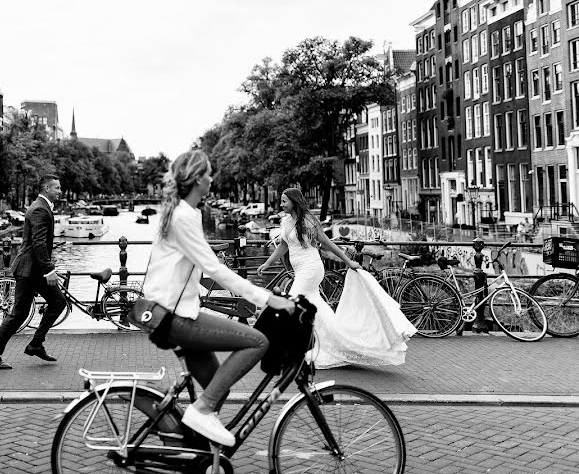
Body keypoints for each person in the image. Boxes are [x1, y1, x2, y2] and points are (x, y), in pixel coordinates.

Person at [143, 150, 294, 446]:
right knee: (258, 341)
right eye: (209, 174)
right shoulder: (183, 216)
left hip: (170, 312)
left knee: (218, 387)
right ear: (198, 178)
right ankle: (201, 410)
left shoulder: (182, 213)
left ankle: (192, 450)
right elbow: (213, 268)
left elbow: (200, 265)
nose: (213, 179)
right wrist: (266, 299)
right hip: (176, 318)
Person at [258, 188, 416, 369]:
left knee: (292, 304)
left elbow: (328, 243)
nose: (281, 204)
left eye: (285, 201)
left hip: (311, 268)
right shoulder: (286, 222)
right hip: (300, 269)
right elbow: (283, 246)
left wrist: (349, 262)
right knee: (317, 308)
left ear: (294, 202)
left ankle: (293, 349)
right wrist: (268, 263)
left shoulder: (308, 222)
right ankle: (336, 343)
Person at [0, 175, 67, 370]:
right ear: (46, 188)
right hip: (29, 270)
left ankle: (36, 344)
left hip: (34, 270)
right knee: (20, 313)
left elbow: (40, 244)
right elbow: (37, 243)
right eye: (57, 188)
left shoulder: (42, 207)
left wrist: (47, 268)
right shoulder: (39, 209)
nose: (60, 191)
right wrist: (49, 270)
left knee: (57, 302)